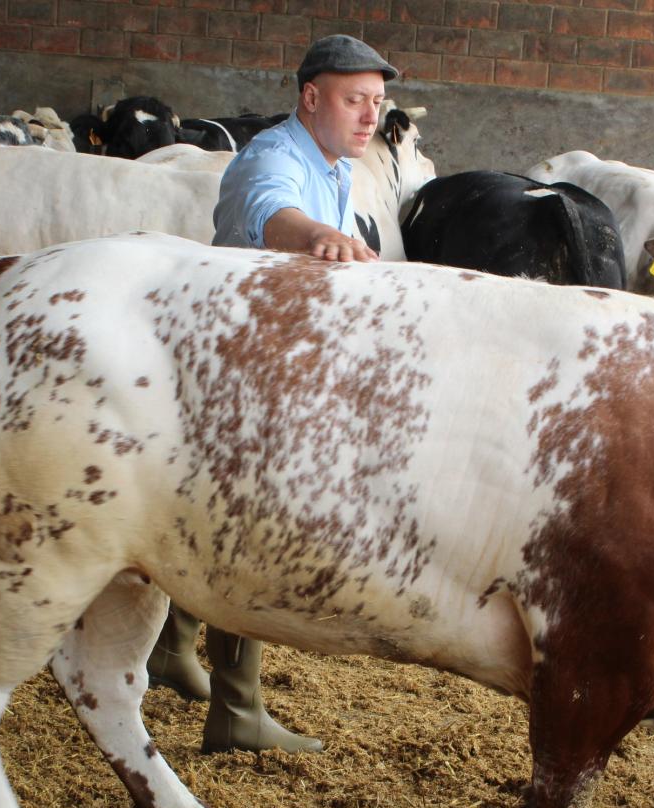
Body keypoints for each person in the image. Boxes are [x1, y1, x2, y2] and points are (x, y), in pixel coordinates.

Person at [147, 35, 399, 755]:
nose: (369, 117)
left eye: (377, 104)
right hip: (238, 369)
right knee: (248, 529)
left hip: (272, 364)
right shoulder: (274, 157)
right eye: (355, 101)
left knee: (209, 516)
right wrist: (319, 235)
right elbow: (268, 213)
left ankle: (170, 649)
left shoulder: (336, 166)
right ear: (311, 97)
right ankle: (238, 709)